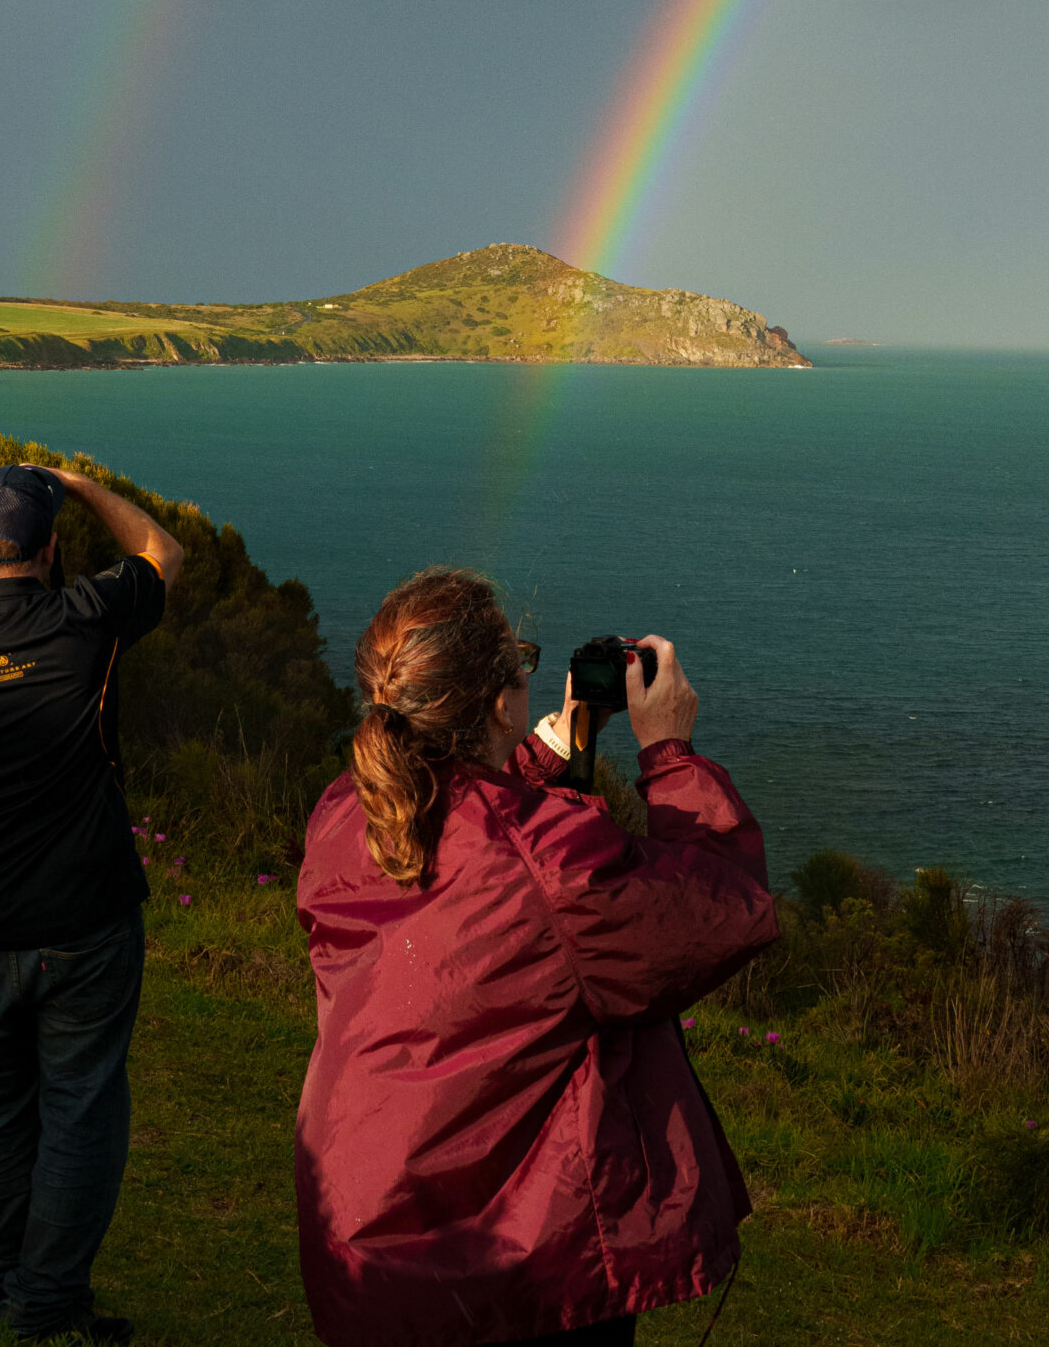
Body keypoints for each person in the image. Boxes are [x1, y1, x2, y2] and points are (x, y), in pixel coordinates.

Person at [296, 568, 777, 1347]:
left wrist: (559, 744)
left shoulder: (345, 814)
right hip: (514, 1274)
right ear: (497, 703)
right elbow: (723, 908)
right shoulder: (549, 862)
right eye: (520, 662)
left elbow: (465, 831)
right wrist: (671, 752)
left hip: (363, 1234)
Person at [0, 459, 185, 1345]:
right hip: (83, 917)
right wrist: (83, 484)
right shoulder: (88, 621)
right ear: (53, 549)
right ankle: (45, 1301)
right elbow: (164, 551)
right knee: (79, 1108)